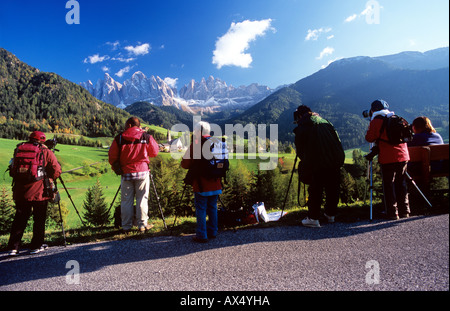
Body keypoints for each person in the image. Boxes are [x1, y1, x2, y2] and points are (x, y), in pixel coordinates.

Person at [7, 131, 62, 256]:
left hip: (20, 191)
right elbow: (56, 169)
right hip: (39, 192)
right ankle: (36, 246)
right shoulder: (45, 151)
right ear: (42, 140)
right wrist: (51, 179)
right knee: (39, 219)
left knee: (19, 219)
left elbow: (12, 169)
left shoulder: (19, 149)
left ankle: (13, 247)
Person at [293, 105, 345, 228]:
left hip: (317, 162)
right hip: (335, 160)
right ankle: (330, 214)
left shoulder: (303, 125)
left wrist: (306, 161)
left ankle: (313, 218)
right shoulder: (325, 121)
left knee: (315, 189)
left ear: (300, 115)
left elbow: (300, 151)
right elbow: (337, 139)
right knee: (332, 188)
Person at [108, 117, 159, 233]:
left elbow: (112, 157)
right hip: (142, 172)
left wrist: (117, 168)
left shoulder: (119, 138)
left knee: (126, 200)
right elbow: (154, 152)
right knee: (142, 199)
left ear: (130, 125)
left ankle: (126, 226)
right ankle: (142, 225)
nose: (125, 127)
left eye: (126, 125)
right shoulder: (146, 137)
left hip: (126, 173)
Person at [365, 99, 410, 220]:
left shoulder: (376, 121)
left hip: (388, 157)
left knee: (389, 184)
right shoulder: (397, 118)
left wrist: (371, 125)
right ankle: (405, 210)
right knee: (402, 182)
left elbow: (369, 138)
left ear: (373, 110)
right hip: (403, 155)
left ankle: (392, 212)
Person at [181, 121, 222, 242]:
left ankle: (201, 235)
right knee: (213, 207)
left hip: (201, 184)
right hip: (216, 182)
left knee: (201, 209)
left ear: (198, 132)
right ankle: (213, 231)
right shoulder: (218, 142)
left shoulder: (196, 144)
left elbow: (185, 164)